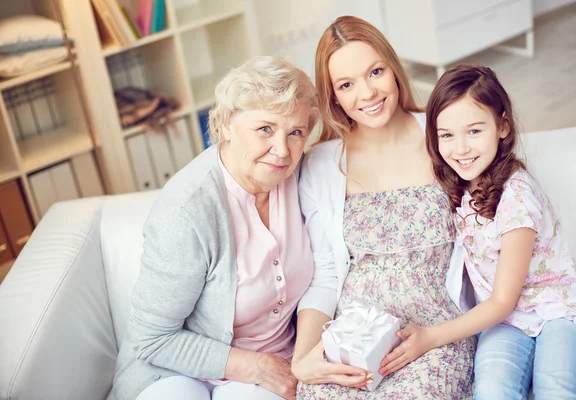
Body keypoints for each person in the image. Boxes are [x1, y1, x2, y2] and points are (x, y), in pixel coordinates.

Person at [109, 56, 320, 400]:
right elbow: (154, 339)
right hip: (172, 369)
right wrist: (256, 367)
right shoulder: (186, 212)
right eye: (265, 129)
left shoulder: (302, 177)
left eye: (295, 132)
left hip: (276, 364)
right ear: (224, 126)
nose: (282, 150)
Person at [291, 16, 475, 399]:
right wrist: (304, 359)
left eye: (375, 71)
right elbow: (324, 273)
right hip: (354, 335)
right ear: (334, 97)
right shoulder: (322, 163)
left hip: (430, 334)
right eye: (346, 84)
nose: (368, 93)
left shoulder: (442, 135)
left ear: (393, 69)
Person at [405, 64, 576, 399]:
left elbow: (502, 300)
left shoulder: (517, 197)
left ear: (503, 127)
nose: (461, 148)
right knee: (493, 391)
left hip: (558, 311)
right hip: (506, 324)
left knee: (558, 391)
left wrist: (431, 336)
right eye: (447, 135)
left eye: (474, 131)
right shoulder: (458, 186)